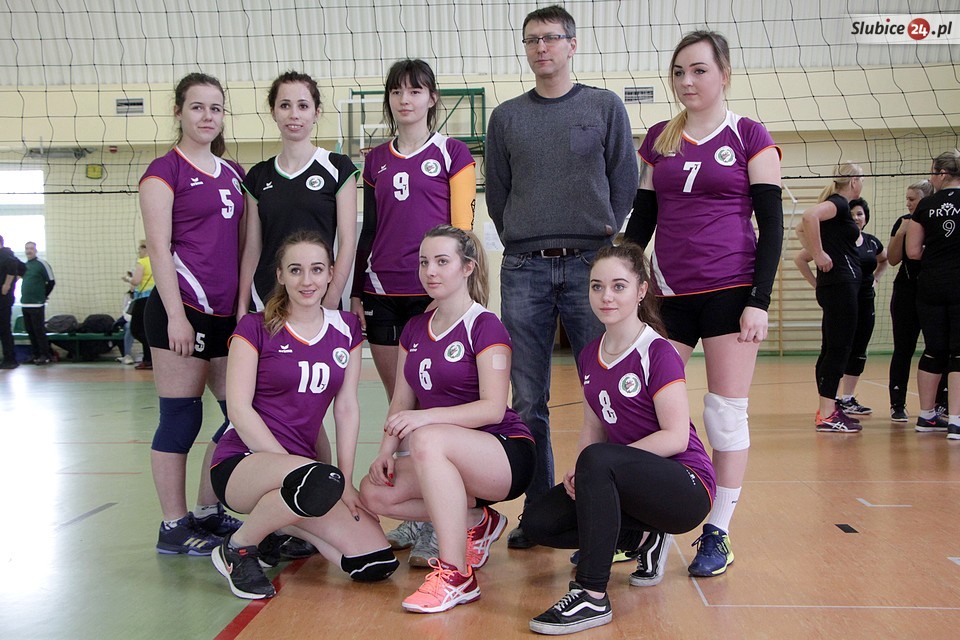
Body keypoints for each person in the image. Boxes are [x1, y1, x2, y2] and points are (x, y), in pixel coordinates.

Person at [622, 30, 781, 576]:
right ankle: (646, 525)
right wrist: (620, 274)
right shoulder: (660, 139)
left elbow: (772, 226)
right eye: (679, 72)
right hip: (668, 294)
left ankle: (717, 531)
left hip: (731, 292)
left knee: (724, 414)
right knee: (649, 408)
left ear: (724, 74)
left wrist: (759, 300)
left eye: (699, 70)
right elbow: (642, 220)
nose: (686, 81)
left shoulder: (749, 135)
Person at [485, 4, 638, 550]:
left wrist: (600, 236)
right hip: (524, 267)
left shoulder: (604, 106)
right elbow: (497, 192)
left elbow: (625, 179)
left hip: (591, 266)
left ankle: (610, 513)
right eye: (532, 40)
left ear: (572, 44)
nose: (541, 47)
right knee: (528, 399)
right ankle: (539, 513)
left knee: (609, 392)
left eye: (551, 38)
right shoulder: (505, 117)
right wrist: (522, 236)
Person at [523, 244, 716, 635]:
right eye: (597, 286)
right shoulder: (589, 354)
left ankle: (592, 594)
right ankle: (642, 537)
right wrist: (582, 471)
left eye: (618, 286)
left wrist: (601, 464)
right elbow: (593, 427)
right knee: (538, 522)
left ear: (641, 290)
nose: (606, 296)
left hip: (686, 486)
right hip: (625, 479)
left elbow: (676, 437)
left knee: (599, 459)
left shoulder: (657, 351)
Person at [210, 231, 398, 600]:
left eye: (316, 269)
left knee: (375, 563)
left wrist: (345, 481)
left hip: (307, 478)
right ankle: (238, 548)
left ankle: (277, 526)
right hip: (244, 463)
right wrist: (294, 468)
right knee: (316, 481)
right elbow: (239, 410)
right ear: (280, 275)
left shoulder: (346, 328)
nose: (306, 280)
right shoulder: (255, 326)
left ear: (330, 274)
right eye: (295, 270)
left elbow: (346, 407)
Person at [359, 225, 535, 614]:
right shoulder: (414, 329)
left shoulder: (485, 325)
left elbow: (492, 408)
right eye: (425, 262)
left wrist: (426, 420)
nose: (431, 271)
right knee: (373, 492)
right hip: (446, 455)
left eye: (442, 261)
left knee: (427, 438)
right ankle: (477, 521)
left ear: (467, 267)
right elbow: (401, 400)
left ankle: (456, 576)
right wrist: (385, 451)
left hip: (504, 454)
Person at [350, 59, 476, 562]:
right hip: (383, 290)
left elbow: (462, 229)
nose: (405, 99)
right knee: (400, 407)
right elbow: (369, 228)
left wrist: (458, 289)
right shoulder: (376, 160)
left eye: (416, 91)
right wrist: (356, 289)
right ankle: (420, 515)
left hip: (434, 294)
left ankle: (444, 521)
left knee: (433, 409)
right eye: (397, 91)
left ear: (432, 98)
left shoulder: (453, 153)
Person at [140, 72, 245, 556]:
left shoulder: (234, 174)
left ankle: (206, 509)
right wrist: (176, 317)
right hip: (181, 309)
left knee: (238, 417)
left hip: (226, 315)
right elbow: (159, 248)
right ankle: (173, 526)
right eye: (197, 107)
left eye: (215, 108)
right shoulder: (164, 171)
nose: (207, 116)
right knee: (181, 419)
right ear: (179, 111)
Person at [239, 71, 358, 316]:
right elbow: (252, 248)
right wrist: (242, 305)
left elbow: (348, 243)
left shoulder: (337, 167)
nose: (294, 114)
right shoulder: (258, 175)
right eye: (285, 105)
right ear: (273, 112)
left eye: (303, 106)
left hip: (318, 298)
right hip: (265, 300)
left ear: (316, 112)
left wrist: (331, 300)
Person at [794, 198, 886, 415]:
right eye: (852, 214)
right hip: (842, 299)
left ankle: (848, 398)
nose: (856, 217)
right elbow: (800, 258)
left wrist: (876, 279)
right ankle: (830, 400)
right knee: (836, 348)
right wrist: (818, 285)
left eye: (860, 214)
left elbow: (885, 260)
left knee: (859, 347)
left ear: (866, 217)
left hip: (865, 300)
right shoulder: (836, 241)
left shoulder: (872, 242)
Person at [796, 163, 864, 432]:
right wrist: (818, 253)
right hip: (840, 285)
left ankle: (828, 408)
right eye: (861, 179)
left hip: (838, 284)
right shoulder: (839, 203)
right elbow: (808, 216)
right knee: (838, 348)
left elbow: (803, 228)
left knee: (833, 347)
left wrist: (820, 251)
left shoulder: (840, 208)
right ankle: (827, 414)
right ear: (854, 181)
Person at [905, 149, 960, 439]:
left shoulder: (926, 205)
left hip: (931, 284)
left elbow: (913, 252)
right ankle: (956, 421)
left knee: (933, 349)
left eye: (932, 173)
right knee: (958, 352)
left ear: (942, 173)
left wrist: (938, 253)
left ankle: (926, 416)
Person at [887, 180, 947, 424]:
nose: (908, 203)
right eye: (907, 199)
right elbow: (892, 259)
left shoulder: (939, 221)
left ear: (926, 200)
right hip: (906, 292)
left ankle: (941, 404)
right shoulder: (904, 221)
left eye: (912, 199)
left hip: (933, 291)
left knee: (939, 347)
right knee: (903, 348)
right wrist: (902, 232)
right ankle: (897, 403)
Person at [20, 241, 55, 365]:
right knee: (30, 331)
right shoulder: (24, 266)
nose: (29, 251)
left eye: (31, 248)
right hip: (25, 303)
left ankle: (45, 355)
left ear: (35, 250)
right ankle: (35, 355)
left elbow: (51, 282)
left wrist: (43, 296)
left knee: (39, 331)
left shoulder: (42, 264)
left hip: (37, 304)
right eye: (27, 248)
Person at [121, 240, 155, 369]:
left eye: (139, 249)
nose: (138, 252)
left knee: (136, 330)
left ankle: (149, 357)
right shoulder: (155, 261)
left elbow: (136, 281)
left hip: (142, 299)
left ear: (144, 249)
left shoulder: (142, 262)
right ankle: (148, 359)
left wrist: (128, 279)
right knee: (148, 330)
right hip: (154, 299)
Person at [0, 234, 25, 369]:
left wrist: (8, 284)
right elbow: (23, 269)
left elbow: (16, 267)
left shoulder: (6, 254)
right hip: (5, 298)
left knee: (4, 329)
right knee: (4, 329)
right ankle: (9, 358)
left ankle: (10, 359)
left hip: (3, 299)